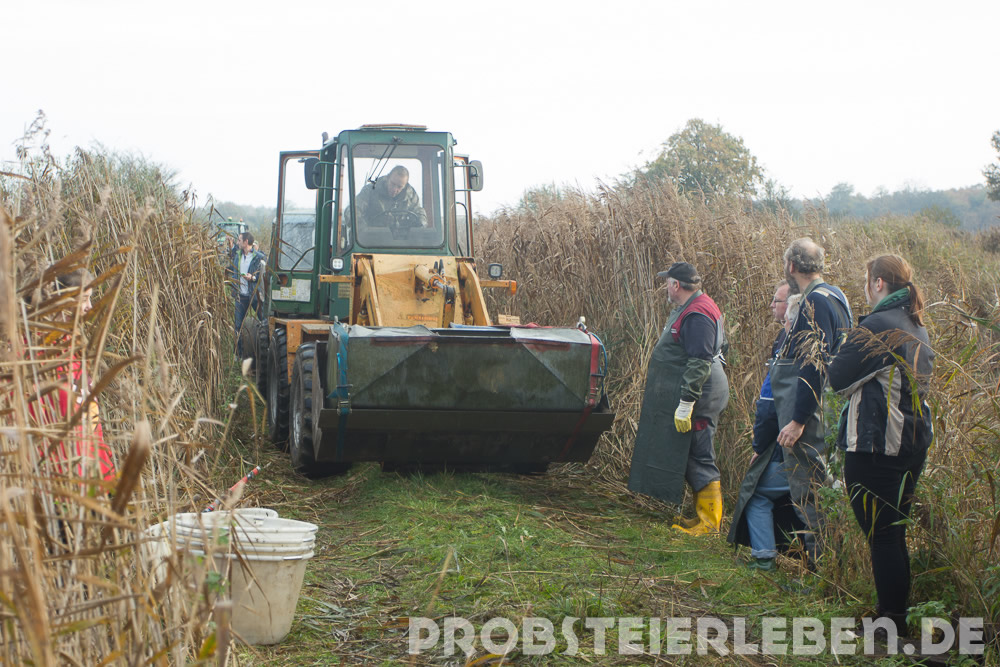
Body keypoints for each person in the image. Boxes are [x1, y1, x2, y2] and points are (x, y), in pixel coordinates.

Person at [828, 254, 933, 637]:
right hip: (912, 445)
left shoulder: (876, 325)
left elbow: (837, 379)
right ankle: (892, 618)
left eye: (866, 280)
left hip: (877, 447)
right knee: (891, 533)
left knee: (883, 535)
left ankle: (890, 624)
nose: (865, 287)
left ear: (878, 283)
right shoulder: (915, 324)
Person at [628, 262, 729, 535]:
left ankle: (709, 523)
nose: (665, 287)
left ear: (675, 285)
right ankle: (701, 516)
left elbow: (700, 361)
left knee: (700, 452)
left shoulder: (697, 314)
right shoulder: (697, 306)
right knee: (691, 451)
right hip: (701, 390)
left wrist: (686, 403)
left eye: (667, 282)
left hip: (702, 394)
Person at [769, 238, 853, 565]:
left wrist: (798, 420)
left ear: (791, 266)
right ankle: (836, 567)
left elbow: (812, 366)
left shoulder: (813, 302)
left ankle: (824, 572)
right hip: (829, 409)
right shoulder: (836, 295)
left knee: (810, 493)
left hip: (812, 417)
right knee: (826, 488)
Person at [729, 283, 808, 570]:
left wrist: (759, 449)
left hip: (786, 451)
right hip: (814, 451)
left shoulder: (786, 355)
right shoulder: (818, 352)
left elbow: (767, 407)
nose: (776, 310)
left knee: (757, 493)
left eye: (779, 304)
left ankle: (764, 558)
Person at [29, 268, 117, 485]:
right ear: (61, 298)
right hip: (59, 474)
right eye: (84, 299)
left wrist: (104, 467)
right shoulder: (35, 351)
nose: (89, 306)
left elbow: (89, 414)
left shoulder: (72, 346)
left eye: (90, 298)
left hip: (89, 468)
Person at [355, 165, 428, 229]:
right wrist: (363, 228)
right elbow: (355, 209)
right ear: (387, 178)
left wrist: (421, 223)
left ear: (405, 186)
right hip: (373, 238)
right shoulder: (370, 190)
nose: (394, 189)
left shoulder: (411, 195)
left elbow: (419, 212)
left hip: (403, 238)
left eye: (399, 187)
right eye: (392, 184)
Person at [234, 231, 265, 357]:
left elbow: (263, 275)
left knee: (264, 321)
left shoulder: (259, 257)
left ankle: (264, 351)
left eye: (239, 240)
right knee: (238, 325)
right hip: (240, 295)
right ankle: (238, 354)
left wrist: (252, 278)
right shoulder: (238, 255)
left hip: (254, 295)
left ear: (246, 242)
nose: (238, 242)